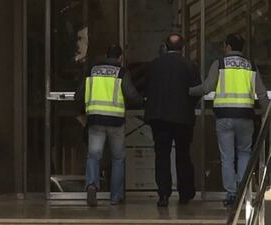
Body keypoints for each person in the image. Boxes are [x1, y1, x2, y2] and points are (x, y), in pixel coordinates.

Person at [189, 33, 269, 207]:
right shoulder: (251, 66)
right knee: (244, 153)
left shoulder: (220, 64)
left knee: (227, 157)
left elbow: (207, 87)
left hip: (224, 117)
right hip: (245, 117)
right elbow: (262, 93)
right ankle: (243, 190)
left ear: (227, 46)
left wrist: (188, 91)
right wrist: (268, 111)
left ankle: (232, 194)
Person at [75, 45, 142, 207]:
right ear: (120, 58)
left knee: (94, 156)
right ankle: (116, 196)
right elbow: (131, 95)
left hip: (95, 120)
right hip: (115, 121)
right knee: (118, 158)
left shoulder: (91, 71)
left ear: (105, 55)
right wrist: (141, 101)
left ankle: (92, 184)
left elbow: (79, 96)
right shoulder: (121, 72)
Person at [143, 33, 201, 207]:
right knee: (183, 154)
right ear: (182, 48)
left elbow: (147, 89)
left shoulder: (154, 65)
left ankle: (163, 194)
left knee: (162, 156)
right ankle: (185, 193)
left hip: (159, 117)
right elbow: (196, 91)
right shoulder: (190, 65)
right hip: (182, 118)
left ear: (165, 47)